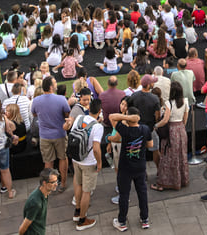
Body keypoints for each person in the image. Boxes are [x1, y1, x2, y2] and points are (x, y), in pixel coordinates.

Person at [110, 97, 155, 231]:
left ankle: (122, 221)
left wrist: (127, 119)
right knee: (142, 193)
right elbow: (151, 145)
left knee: (124, 195)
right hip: (140, 166)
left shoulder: (125, 130)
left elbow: (112, 116)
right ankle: (144, 219)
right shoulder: (145, 129)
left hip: (125, 168)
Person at [68, 98, 103, 229]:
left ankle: (77, 211)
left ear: (89, 108)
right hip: (89, 163)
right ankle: (82, 220)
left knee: (77, 183)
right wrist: (99, 163)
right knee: (87, 191)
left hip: (76, 159)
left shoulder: (79, 119)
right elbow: (96, 148)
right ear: (99, 111)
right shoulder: (98, 127)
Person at [31, 76, 71, 185]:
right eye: (55, 82)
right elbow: (67, 114)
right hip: (60, 135)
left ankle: (50, 185)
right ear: (51, 87)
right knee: (62, 158)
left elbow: (34, 114)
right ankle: (63, 183)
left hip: (44, 136)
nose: (56, 84)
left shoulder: (36, 100)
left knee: (48, 162)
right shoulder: (61, 99)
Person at [154, 80, 191, 190]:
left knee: (168, 156)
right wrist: (181, 127)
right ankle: (182, 180)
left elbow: (165, 120)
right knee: (181, 155)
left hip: (171, 131)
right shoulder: (185, 101)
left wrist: (156, 125)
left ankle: (166, 182)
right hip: (181, 129)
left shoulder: (168, 103)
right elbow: (185, 118)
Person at [18, 169, 59, 235]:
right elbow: (24, 226)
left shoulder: (46, 193)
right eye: (53, 182)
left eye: (57, 181)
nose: (56, 184)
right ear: (44, 183)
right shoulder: (36, 203)